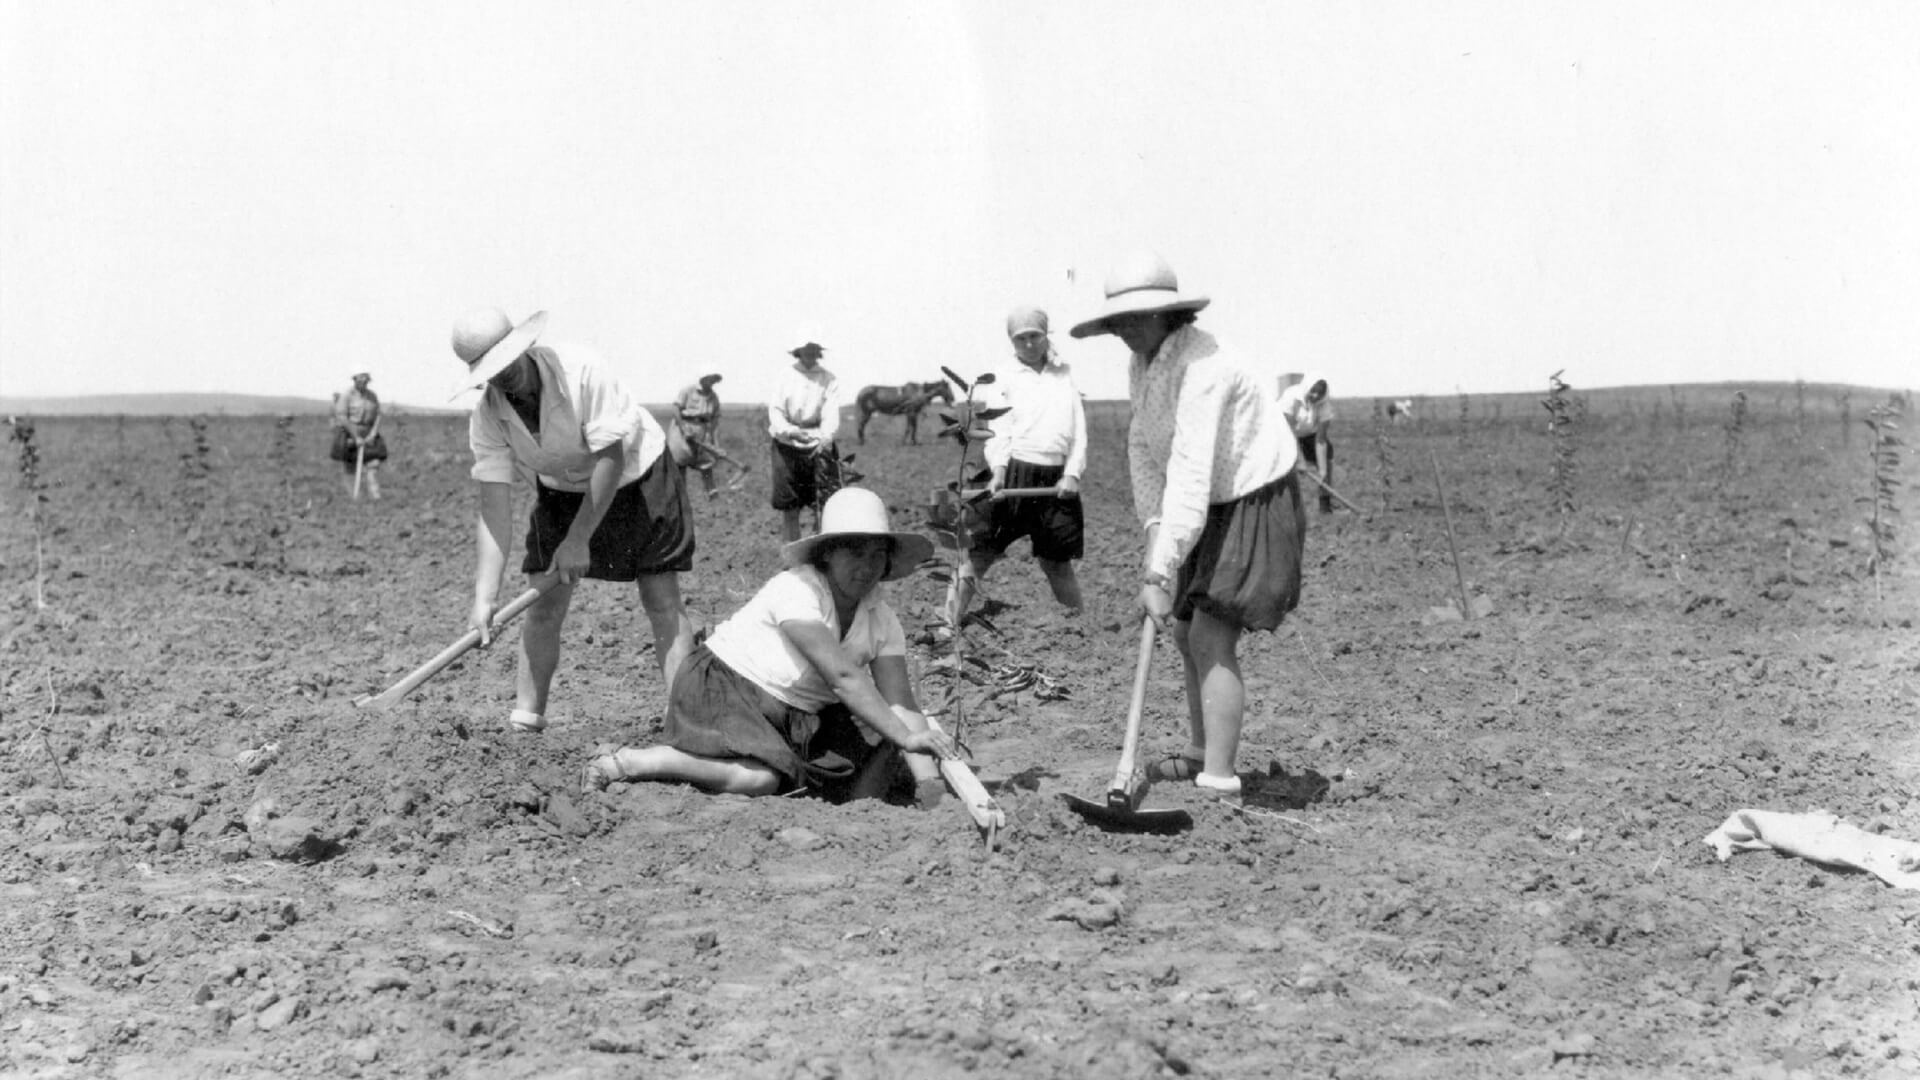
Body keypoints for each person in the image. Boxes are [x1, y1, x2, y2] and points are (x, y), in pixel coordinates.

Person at [1069, 252, 1305, 798]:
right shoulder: (1146, 363)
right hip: (1207, 499)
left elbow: (1193, 471)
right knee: (1182, 630)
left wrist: (1158, 574)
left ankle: (1219, 780)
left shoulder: (1205, 368)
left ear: (1168, 314)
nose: (1125, 330)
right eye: (1118, 321)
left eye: (1136, 317)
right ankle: (1201, 750)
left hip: (1251, 495)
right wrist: (1155, 532)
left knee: (1209, 633)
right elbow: (1145, 448)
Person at [583, 487, 959, 803]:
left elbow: (900, 703)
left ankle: (863, 813)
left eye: (878, 555)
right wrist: (909, 736)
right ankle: (637, 762)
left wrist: (930, 783)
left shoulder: (882, 619)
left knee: (882, 737)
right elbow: (843, 676)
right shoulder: (797, 589)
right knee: (761, 780)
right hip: (729, 690)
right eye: (855, 552)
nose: (867, 567)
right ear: (828, 553)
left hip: (800, 717)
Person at [450, 308, 697, 734]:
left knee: (661, 600)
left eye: (507, 361)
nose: (503, 376)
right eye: (491, 370)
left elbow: (610, 457)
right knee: (543, 604)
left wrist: (579, 538)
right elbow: (494, 507)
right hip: (562, 490)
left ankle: (687, 722)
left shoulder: (582, 370)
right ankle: (527, 719)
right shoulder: (488, 416)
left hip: (638, 476)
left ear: (522, 347)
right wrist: (484, 596)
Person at [946, 305, 1087, 626]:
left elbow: (1079, 431)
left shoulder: (1063, 374)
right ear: (1012, 341)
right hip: (1013, 471)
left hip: (1056, 479)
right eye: (1020, 338)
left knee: (1057, 561)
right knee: (980, 553)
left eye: (1034, 336)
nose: (1028, 344)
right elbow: (1000, 430)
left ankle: (1082, 627)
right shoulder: (1003, 377)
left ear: (1045, 336)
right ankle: (947, 624)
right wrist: (997, 472)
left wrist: (1072, 473)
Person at [767, 336, 845, 542]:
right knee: (790, 505)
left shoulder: (828, 378)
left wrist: (825, 439)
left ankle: (820, 553)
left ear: (819, 351)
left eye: (814, 348)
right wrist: (789, 431)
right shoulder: (785, 376)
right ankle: (793, 556)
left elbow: (831, 412)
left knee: (824, 502)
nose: (810, 352)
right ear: (798, 351)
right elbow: (775, 411)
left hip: (818, 443)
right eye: (806, 348)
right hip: (787, 444)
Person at [1278, 372, 1336, 513]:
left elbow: (1321, 440)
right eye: (1313, 391)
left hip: (1307, 435)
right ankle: (1286, 507)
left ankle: (1325, 506)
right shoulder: (1290, 397)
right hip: (1282, 435)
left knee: (1327, 457)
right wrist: (1300, 460)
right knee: (1283, 470)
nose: (1316, 396)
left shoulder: (1324, 405)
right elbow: (1288, 433)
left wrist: (1322, 470)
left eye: (1320, 393)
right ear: (1307, 387)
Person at [329, 372, 386, 499]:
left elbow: (378, 415)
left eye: (366, 379)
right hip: (350, 432)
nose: (364, 381)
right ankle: (355, 498)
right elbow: (342, 417)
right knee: (350, 467)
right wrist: (356, 436)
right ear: (355, 379)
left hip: (369, 434)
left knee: (373, 464)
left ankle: (376, 497)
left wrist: (373, 433)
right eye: (361, 379)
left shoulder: (372, 396)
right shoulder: (346, 395)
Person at [669, 373, 726, 498]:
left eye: (714, 380)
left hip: (702, 429)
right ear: (703, 378)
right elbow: (675, 409)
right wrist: (684, 429)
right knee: (680, 459)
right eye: (710, 379)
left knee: (706, 460)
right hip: (683, 427)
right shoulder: (688, 391)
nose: (712, 382)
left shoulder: (713, 397)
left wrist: (716, 445)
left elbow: (715, 421)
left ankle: (711, 490)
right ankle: (680, 492)